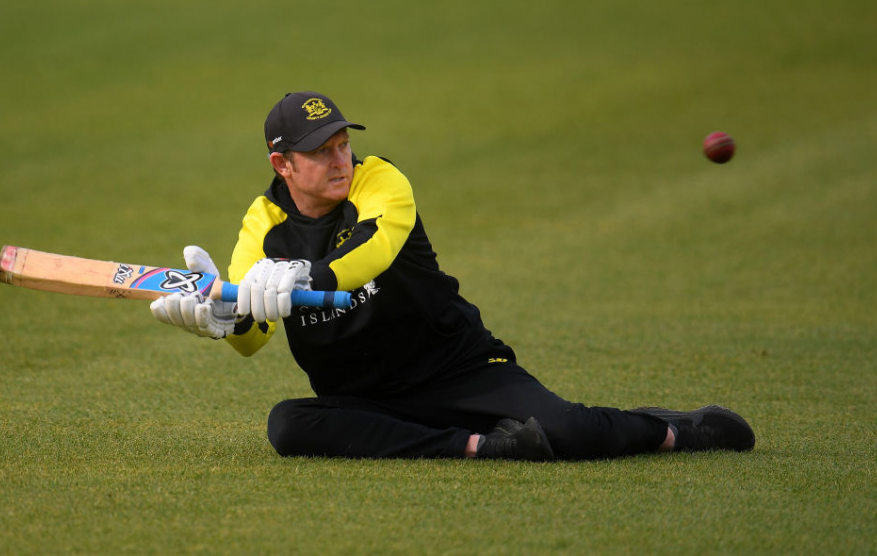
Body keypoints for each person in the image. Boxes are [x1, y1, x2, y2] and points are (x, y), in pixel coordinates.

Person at [151, 91, 756, 461]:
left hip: (460, 369)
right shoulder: (262, 224)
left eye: (342, 144)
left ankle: (672, 431)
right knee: (288, 425)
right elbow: (253, 333)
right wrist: (225, 317)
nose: (340, 161)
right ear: (282, 164)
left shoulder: (381, 181)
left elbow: (369, 254)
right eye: (320, 152)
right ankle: (480, 447)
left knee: (569, 431)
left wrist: (303, 274)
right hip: (366, 397)